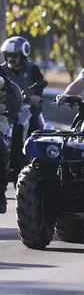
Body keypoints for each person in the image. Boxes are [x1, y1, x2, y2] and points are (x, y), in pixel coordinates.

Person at [1, 36, 46, 181]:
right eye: (8, 55)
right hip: (6, 109)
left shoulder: (33, 69)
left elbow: (40, 85)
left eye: (15, 56)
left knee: (37, 124)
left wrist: (36, 97)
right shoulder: (1, 70)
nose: (11, 59)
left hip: (27, 107)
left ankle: (35, 156)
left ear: (23, 55)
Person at [0, 74, 22, 213]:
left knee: (1, 150)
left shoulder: (4, 81)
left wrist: (5, 105)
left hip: (1, 122)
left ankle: (0, 194)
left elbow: (15, 98)